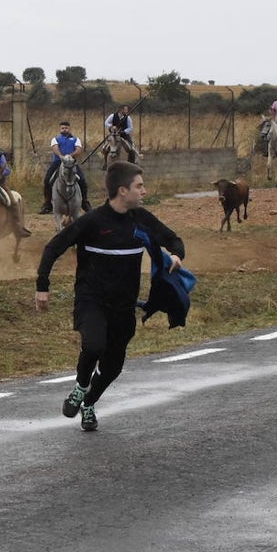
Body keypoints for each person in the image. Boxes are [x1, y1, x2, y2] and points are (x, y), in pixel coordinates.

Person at [35, 161, 186, 431]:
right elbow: (53, 247)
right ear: (122, 191)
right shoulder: (92, 222)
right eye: (139, 186)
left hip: (124, 307)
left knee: (113, 367)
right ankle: (80, 387)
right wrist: (42, 285)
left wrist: (175, 255)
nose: (144, 191)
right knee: (93, 346)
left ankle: (89, 402)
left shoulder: (141, 220)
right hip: (91, 301)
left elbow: (173, 239)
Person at [40, 120, 90, 214]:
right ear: (60, 129)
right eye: (62, 128)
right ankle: (47, 204)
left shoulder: (76, 139)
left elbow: (79, 150)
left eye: (66, 128)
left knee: (82, 180)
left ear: (69, 129)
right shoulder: (56, 139)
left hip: (71, 163)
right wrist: (61, 156)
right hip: (58, 162)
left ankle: (84, 202)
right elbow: (55, 148)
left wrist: (69, 156)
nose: (64, 129)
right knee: (47, 180)